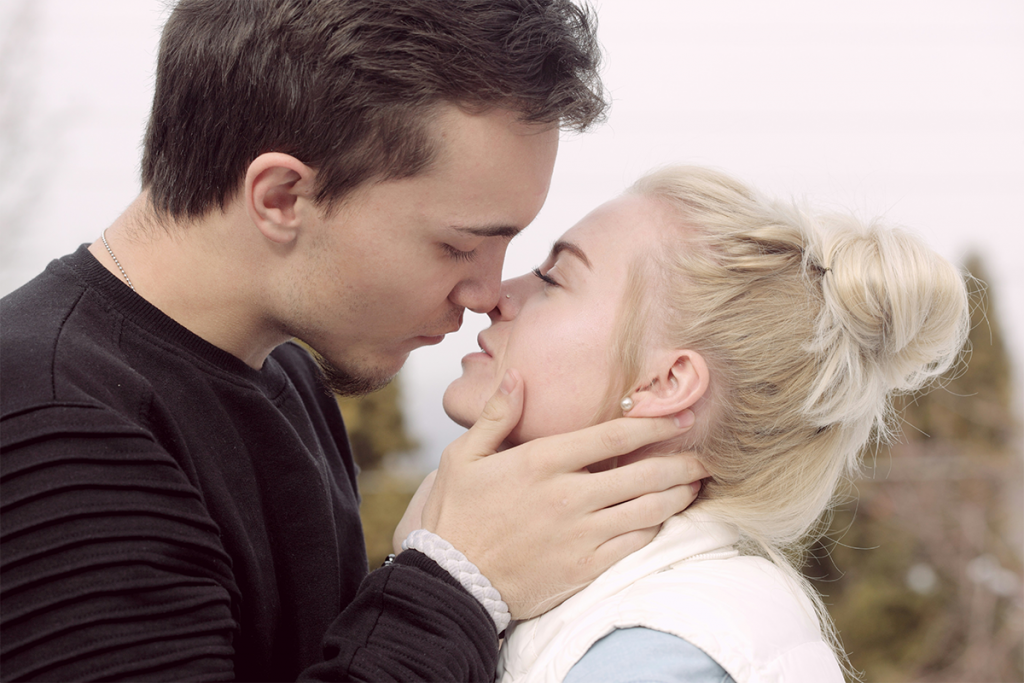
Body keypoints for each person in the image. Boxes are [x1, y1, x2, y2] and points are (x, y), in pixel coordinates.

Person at [0, 2, 708, 681]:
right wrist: (459, 579)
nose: (490, 292)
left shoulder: (286, 377)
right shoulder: (57, 422)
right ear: (281, 197)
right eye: (458, 245)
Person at [441, 165, 971, 682]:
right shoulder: (622, 617)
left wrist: (437, 585)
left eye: (552, 279)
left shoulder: (656, 655)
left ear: (665, 383)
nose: (496, 297)